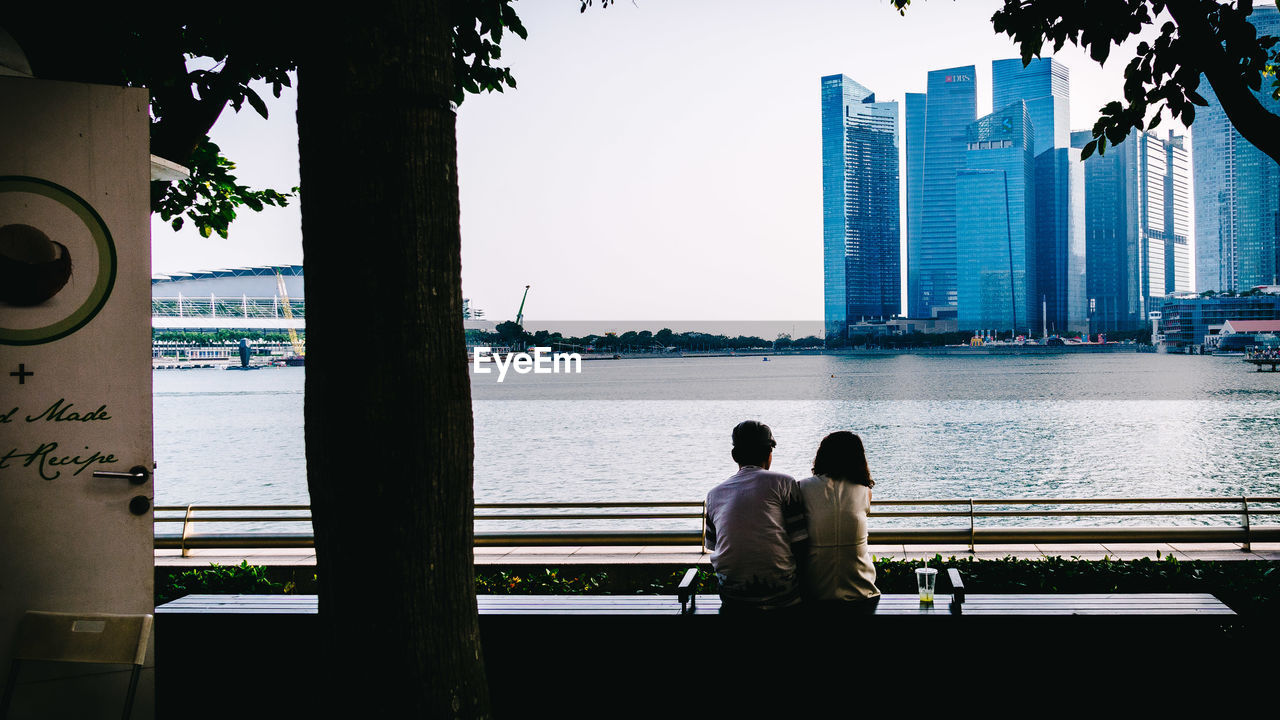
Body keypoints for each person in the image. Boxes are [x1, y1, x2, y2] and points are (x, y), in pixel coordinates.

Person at [703, 420, 809, 613]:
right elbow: (800, 543)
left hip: (733, 599)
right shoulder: (784, 483)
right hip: (784, 598)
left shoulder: (713, 495)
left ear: (734, 456)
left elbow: (714, 546)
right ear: (770, 455)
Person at [796, 431, 880, 610]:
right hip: (862, 592)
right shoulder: (865, 491)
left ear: (822, 456)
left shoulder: (802, 488)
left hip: (814, 593)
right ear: (858, 459)